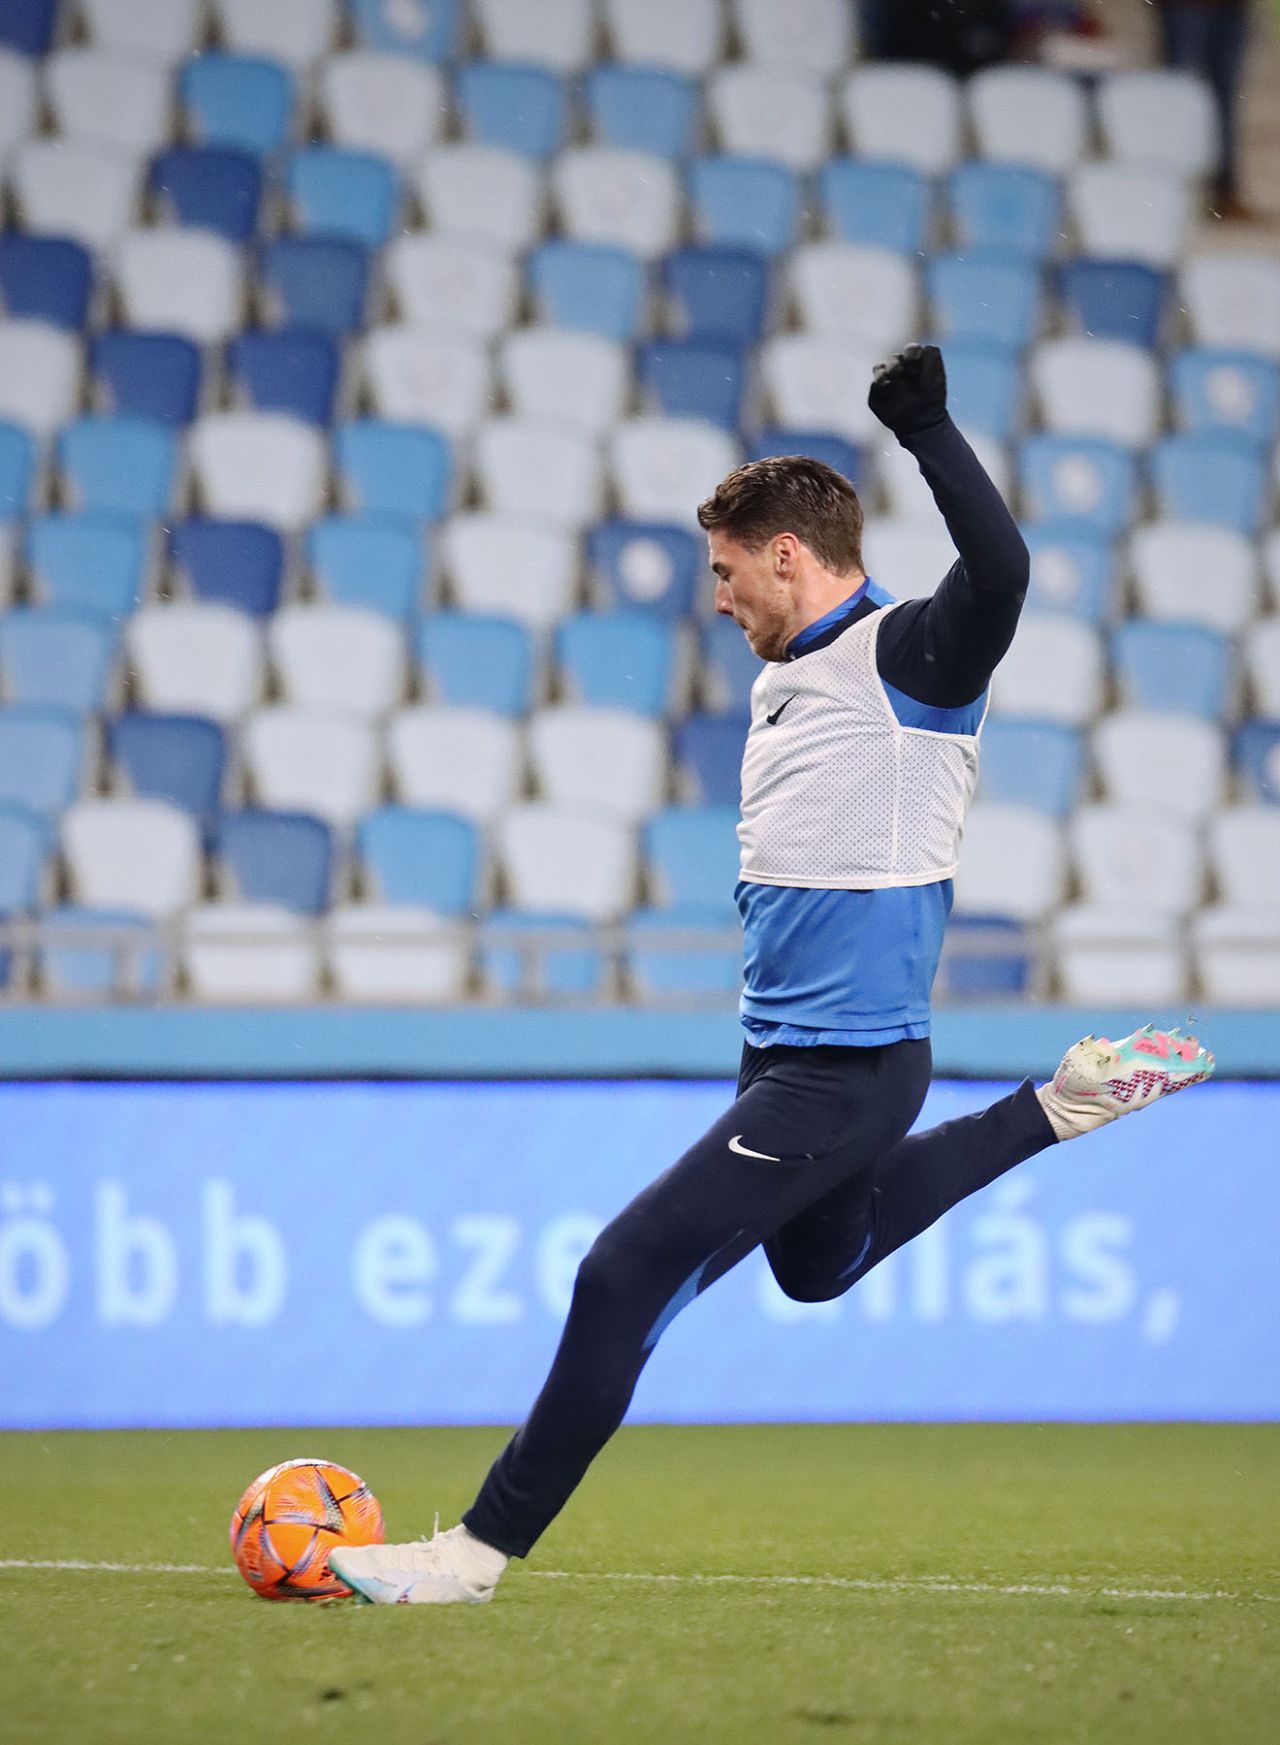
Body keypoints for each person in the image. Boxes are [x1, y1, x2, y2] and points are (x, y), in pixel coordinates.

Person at [330, 347, 1215, 1606]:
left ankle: (473, 1554)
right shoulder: (787, 678)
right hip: (784, 1054)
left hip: (846, 1068)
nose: (717, 596)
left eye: (725, 570)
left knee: (621, 1271)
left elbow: (1003, 572)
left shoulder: (911, 657)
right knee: (815, 1265)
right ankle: (1055, 1106)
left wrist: (925, 427)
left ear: (786, 555)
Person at [1155, 0, 1252, 216]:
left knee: (1223, 105)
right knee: (1181, 101)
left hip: (1230, 9)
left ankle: (1224, 194)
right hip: (1185, 9)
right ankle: (1178, 198)